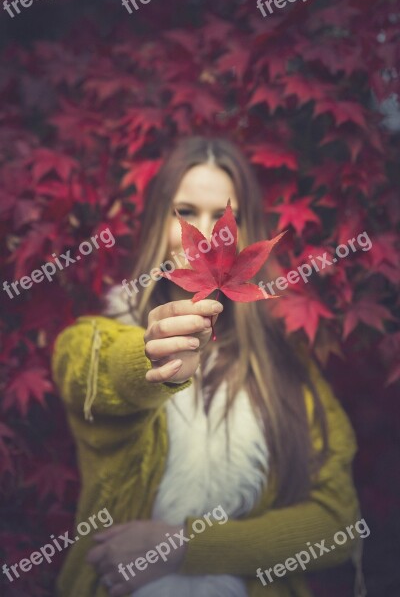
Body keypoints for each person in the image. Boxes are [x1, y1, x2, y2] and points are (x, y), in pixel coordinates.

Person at [51, 136, 362, 597]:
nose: (206, 234)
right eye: (186, 211)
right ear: (158, 222)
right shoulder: (97, 337)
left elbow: (338, 521)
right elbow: (99, 373)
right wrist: (153, 357)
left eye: (222, 216)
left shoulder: (287, 366)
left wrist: (184, 546)